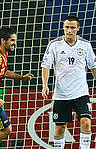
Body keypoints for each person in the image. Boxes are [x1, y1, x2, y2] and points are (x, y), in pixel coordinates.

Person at [41, 16, 96, 149]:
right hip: (61, 94)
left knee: (86, 122)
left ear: (78, 28)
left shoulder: (85, 45)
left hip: (81, 92)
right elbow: (46, 66)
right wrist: (45, 85)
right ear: (63, 28)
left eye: (72, 27)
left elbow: (93, 67)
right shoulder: (54, 44)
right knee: (60, 128)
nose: (69, 30)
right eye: (66, 27)